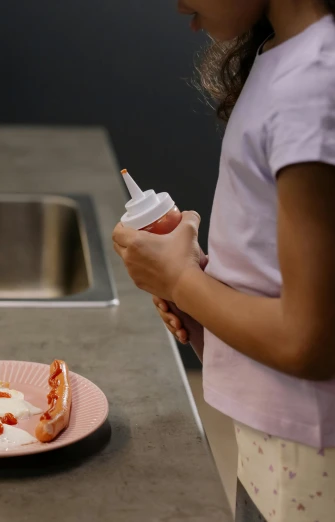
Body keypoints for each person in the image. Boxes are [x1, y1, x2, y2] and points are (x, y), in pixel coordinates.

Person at [112, 1, 335, 520]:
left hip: (311, 456)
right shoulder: (283, 56)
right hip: (279, 441)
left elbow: (309, 343)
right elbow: (286, 287)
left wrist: (180, 279)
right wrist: (199, 286)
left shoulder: (313, 85)